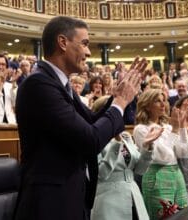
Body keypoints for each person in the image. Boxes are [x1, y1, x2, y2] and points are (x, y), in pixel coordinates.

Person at [14, 16, 146, 220]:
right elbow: (90, 140)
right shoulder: (39, 84)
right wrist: (120, 103)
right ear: (63, 43)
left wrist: (116, 98)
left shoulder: (60, 84)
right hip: (49, 204)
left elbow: (90, 123)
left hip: (70, 197)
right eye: (84, 44)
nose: (88, 52)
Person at [133, 89, 188, 220]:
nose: (163, 104)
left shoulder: (167, 127)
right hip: (156, 176)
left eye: (164, 101)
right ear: (147, 105)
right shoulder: (141, 129)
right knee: (163, 216)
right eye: (158, 101)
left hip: (176, 174)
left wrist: (182, 127)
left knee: (183, 214)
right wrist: (174, 130)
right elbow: (162, 158)